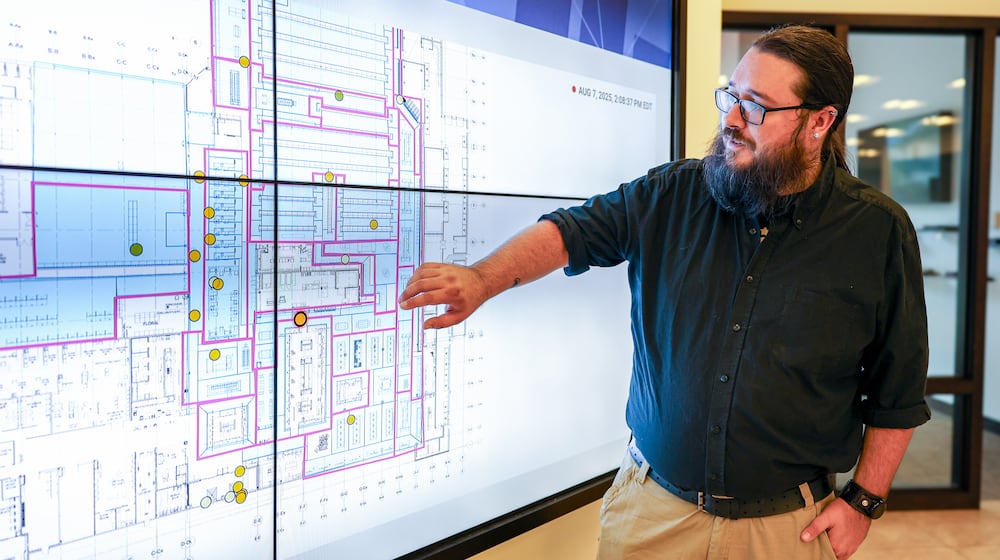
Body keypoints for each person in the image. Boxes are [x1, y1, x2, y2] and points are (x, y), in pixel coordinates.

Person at [398, 25, 930, 560]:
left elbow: (897, 391)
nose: (731, 119)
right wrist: (483, 278)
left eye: (756, 107)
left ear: (820, 122)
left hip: (783, 530)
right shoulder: (673, 194)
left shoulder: (876, 232)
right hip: (653, 516)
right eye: (732, 96)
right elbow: (571, 232)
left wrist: (864, 502)